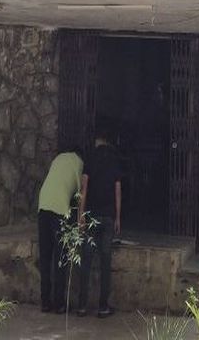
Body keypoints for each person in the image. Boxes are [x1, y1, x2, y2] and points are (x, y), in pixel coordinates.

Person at [76, 128, 122, 318]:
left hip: (92, 215)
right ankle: (103, 306)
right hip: (108, 216)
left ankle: (81, 306)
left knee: (85, 261)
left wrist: (80, 214)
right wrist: (118, 217)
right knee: (105, 262)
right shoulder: (114, 159)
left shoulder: (90, 158)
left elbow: (84, 188)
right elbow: (117, 189)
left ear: (97, 140)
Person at [37, 145, 83, 314]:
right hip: (59, 209)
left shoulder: (58, 158)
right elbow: (79, 194)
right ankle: (59, 304)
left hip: (43, 204)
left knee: (45, 256)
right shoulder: (79, 163)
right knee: (61, 257)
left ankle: (45, 302)